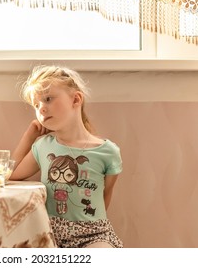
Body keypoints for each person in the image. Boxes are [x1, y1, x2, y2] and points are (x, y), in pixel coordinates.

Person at [11, 65, 123, 248]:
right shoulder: (43, 146)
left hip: (93, 235)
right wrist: (29, 136)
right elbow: (11, 173)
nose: (42, 109)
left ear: (76, 99)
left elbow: (105, 194)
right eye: (36, 105)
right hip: (50, 234)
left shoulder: (108, 152)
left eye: (48, 99)